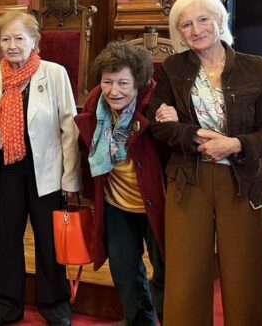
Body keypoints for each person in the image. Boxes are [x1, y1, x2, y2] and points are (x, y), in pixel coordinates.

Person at [148, 0, 262, 325]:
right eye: (186, 24)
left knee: (245, 273)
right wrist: (192, 135)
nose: (196, 29)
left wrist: (234, 144)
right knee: (187, 274)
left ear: (220, 21)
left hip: (242, 181)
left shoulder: (259, 69)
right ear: (179, 33)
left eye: (203, 19)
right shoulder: (172, 68)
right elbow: (158, 125)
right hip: (188, 179)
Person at [0, 11, 80, 326]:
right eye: (5, 39)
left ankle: (54, 303)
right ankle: (8, 303)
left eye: (19, 38)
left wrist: (70, 177)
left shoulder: (54, 73)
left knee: (48, 239)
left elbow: (69, 128)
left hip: (48, 172)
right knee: (7, 238)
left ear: (33, 40)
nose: (12, 45)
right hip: (7, 170)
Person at [75, 41, 165, 326]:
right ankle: (138, 321)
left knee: (166, 271)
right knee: (124, 269)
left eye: (123, 83)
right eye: (108, 82)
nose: (114, 91)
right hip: (117, 205)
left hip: (159, 206)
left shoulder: (157, 108)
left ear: (138, 82)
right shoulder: (94, 105)